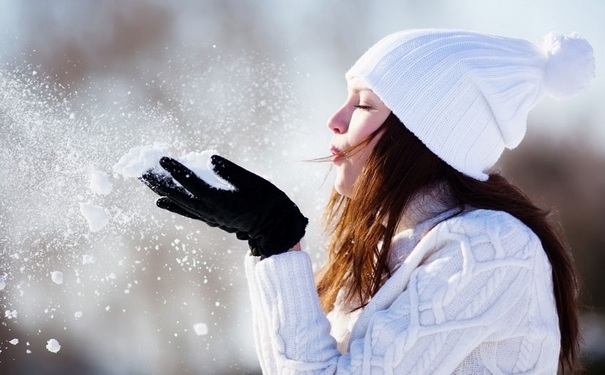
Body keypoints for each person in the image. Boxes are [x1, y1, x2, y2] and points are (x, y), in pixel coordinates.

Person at [141, 29, 595, 374]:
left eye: (363, 105)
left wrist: (277, 242)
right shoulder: (386, 247)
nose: (335, 120)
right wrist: (269, 246)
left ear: (421, 135)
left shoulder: (488, 251)